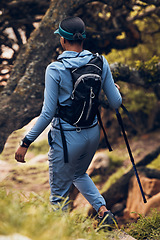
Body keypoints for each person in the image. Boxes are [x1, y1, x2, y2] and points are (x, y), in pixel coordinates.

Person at [15, 16, 122, 226]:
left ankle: (60, 234)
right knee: (78, 173)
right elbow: (116, 102)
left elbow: (47, 113)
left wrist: (25, 142)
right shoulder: (100, 62)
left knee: (58, 196)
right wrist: (115, 89)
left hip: (66, 141)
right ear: (83, 39)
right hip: (92, 134)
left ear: (63, 41)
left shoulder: (55, 69)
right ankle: (103, 210)